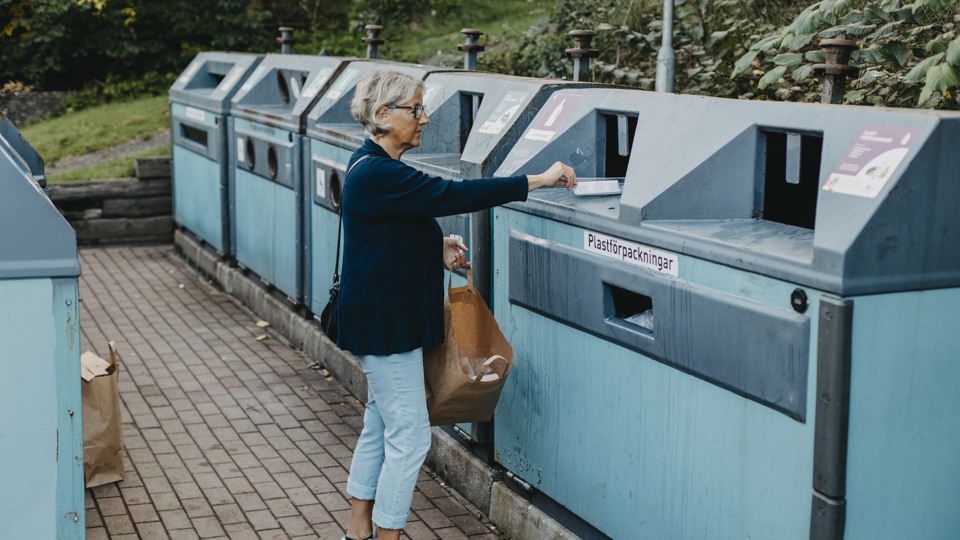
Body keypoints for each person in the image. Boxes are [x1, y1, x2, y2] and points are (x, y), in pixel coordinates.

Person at [337, 69, 577, 540]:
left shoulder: (366, 163)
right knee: (410, 437)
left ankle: (359, 531)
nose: (424, 119)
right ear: (383, 115)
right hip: (385, 329)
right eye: (416, 109)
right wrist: (538, 179)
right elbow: (453, 194)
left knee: (381, 425)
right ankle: (384, 536)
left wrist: (433, 247)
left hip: (378, 321)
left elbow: (386, 232)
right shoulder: (382, 173)